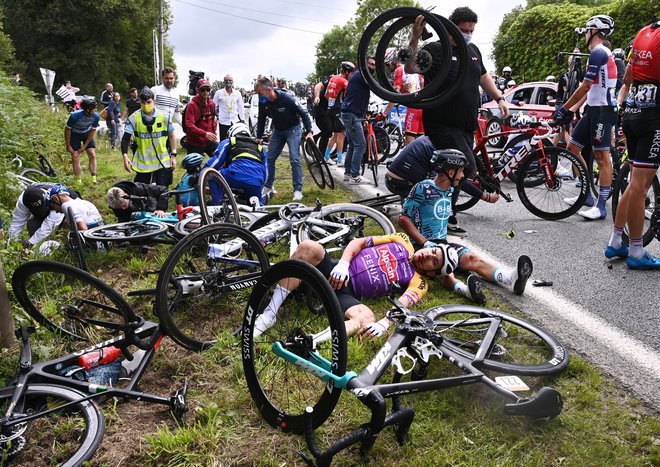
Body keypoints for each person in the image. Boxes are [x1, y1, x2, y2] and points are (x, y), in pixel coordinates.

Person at [407, 7, 509, 237]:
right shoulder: (435, 49)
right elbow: (410, 67)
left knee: (453, 169)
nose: (468, 33)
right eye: (464, 30)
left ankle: (441, 214)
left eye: (472, 30)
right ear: (452, 27)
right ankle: (436, 213)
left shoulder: (472, 50)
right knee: (465, 166)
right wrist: (415, 37)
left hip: (465, 124)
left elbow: (483, 77)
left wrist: (500, 98)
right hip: (442, 122)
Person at [252, 232, 459, 340]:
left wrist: (384, 324)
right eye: (433, 251)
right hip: (334, 270)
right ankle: (269, 315)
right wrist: (343, 263)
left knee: (367, 317)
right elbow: (358, 243)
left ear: (433, 273)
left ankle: (313, 341)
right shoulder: (402, 240)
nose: (428, 255)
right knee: (308, 247)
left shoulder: (420, 282)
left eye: (434, 261)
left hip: (347, 293)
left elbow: (402, 305)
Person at [398, 149, 532, 304]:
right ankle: (466, 290)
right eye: (461, 172)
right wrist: (424, 242)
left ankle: (511, 278)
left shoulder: (449, 189)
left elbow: (466, 185)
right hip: (422, 246)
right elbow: (403, 218)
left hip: (442, 243)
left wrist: (486, 195)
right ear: (450, 171)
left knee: (472, 258)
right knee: (444, 269)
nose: (462, 176)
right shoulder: (423, 188)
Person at [604, 20, 660, 269]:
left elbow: (628, 76)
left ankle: (617, 240)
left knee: (635, 183)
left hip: (633, 113)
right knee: (640, 186)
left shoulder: (643, 31)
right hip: (653, 119)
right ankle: (637, 251)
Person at [554, 15, 617, 220]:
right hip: (593, 109)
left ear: (594, 32)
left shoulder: (599, 52)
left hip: (603, 110)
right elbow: (591, 90)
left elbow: (586, 86)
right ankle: (587, 197)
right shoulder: (597, 54)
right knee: (572, 148)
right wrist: (572, 109)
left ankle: (601, 206)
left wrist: (565, 108)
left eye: (587, 30)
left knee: (601, 157)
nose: (585, 33)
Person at [385, 135, 500, 208]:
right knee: (444, 185)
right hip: (404, 184)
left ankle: (406, 202)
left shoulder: (433, 139)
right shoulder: (442, 152)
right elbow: (457, 179)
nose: (463, 174)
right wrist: (486, 197)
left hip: (392, 180)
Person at [255, 76, 313, 201]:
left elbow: (304, 113)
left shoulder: (286, 98)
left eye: (261, 93)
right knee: (269, 158)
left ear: (269, 89)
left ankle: (297, 190)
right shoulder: (263, 102)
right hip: (278, 130)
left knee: (294, 159)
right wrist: (259, 136)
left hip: (293, 129)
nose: (260, 96)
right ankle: (269, 186)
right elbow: (261, 119)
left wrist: (309, 131)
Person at [120, 86, 177, 187]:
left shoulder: (164, 117)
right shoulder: (134, 118)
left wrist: (173, 155)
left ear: (154, 100)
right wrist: (125, 156)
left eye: (149, 102)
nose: (146, 105)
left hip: (162, 162)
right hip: (143, 164)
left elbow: (172, 136)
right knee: (141, 193)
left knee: (162, 193)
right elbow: (125, 139)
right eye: (143, 103)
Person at [205, 122, 268, 205]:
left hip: (235, 174)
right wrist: (259, 184)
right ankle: (259, 207)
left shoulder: (229, 141)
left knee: (213, 176)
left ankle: (217, 205)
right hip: (256, 179)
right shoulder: (260, 148)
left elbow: (216, 161)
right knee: (255, 203)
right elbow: (266, 174)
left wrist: (201, 174)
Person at [340, 56, 376, 185]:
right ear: (364, 65)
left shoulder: (361, 76)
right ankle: (355, 175)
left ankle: (347, 173)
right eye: (371, 64)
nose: (373, 67)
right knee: (361, 144)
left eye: (374, 65)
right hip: (351, 115)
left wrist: (364, 116)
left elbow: (362, 98)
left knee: (353, 145)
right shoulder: (361, 75)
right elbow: (376, 87)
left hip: (353, 114)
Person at [8, 182, 77, 248]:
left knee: (66, 225)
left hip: (68, 211)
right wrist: (12, 241)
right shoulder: (23, 200)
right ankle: (37, 247)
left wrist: (30, 243)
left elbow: (48, 225)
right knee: (32, 223)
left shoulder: (55, 199)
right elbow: (17, 221)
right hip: (48, 210)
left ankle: (65, 249)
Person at [383, 48, 425, 146]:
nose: (388, 67)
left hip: (413, 109)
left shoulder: (399, 70)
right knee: (421, 144)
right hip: (423, 109)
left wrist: (385, 113)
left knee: (409, 145)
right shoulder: (415, 70)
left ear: (394, 61)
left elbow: (395, 96)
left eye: (388, 64)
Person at [324, 61, 355, 166]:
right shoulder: (344, 82)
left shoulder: (332, 78)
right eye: (351, 73)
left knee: (335, 135)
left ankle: (326, 157)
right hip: (338, 110)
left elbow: (326, 95)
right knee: (341, 134)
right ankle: (340, 160)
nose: (351, 75)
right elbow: (349, 97)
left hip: (330, 108)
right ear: (346, 72)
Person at [64, 97, 99, 185]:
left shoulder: (96, 116)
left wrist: (84, 146)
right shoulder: (75, 116)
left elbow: (92, 132)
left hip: (86, 134)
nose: (95, 110)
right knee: (75, 156)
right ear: (87, 109)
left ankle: (94, 177)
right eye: (94, 109)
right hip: (74, 135)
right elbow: (67, 130)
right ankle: (78, 180)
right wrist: (68, 145)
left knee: (92, 154)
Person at [184, 78, 218, 157]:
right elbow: (189, 125)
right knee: (194, 168)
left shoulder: (212, 104)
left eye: (208, 89)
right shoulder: (192, 105)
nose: (205, 92)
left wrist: (213, 133)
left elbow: (213, 120)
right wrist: (204, 133)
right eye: (202, 89)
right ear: (197, 90)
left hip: (208, 141)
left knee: (221, 160)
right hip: (195, 143)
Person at [213, 74, 245, 141]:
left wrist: (242, 119)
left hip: (235, 121)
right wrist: (214, 116)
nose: (228, 82)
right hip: (223, 122)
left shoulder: (237, 93)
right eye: (226, 80)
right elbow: (213, 105)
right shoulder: (219, 93)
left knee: (235, 141)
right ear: (223, 82)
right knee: (224, 141)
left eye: (230, 80)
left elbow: (241, 108)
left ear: (232, 82)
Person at [313, 76, 333, 155]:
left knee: (334, 130)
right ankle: (321, 156)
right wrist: (317, 97)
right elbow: (318, 85)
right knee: (326, 132)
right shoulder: (333, 79)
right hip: (320, 109)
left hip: (330, 110)